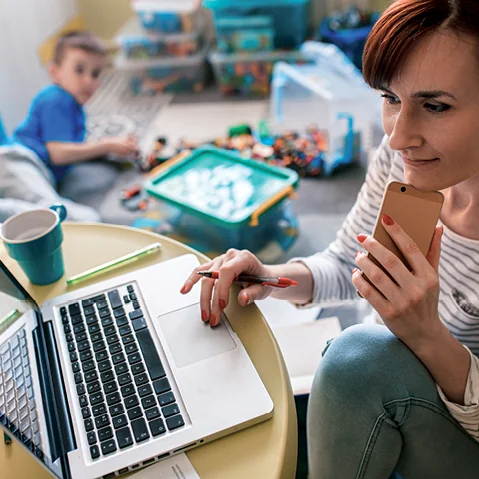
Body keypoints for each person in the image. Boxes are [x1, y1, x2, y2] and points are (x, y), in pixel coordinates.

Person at [180, 0, 479, 476]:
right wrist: (272, 276)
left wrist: (426, 336)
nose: (399, 136)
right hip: (389, 375)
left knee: (354, 362)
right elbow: (347, 263)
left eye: (435, 106)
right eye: (390, 98)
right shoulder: (406, 158)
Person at [0, 30, 138, 222]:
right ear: (55, 72)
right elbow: (58, 153)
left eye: (96, 74)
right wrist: (107, 145)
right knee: (63, 217)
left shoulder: (72, 106)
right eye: (79, 70)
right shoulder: (56, 98)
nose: (88, 81)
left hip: (32, 170)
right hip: (16, 162)